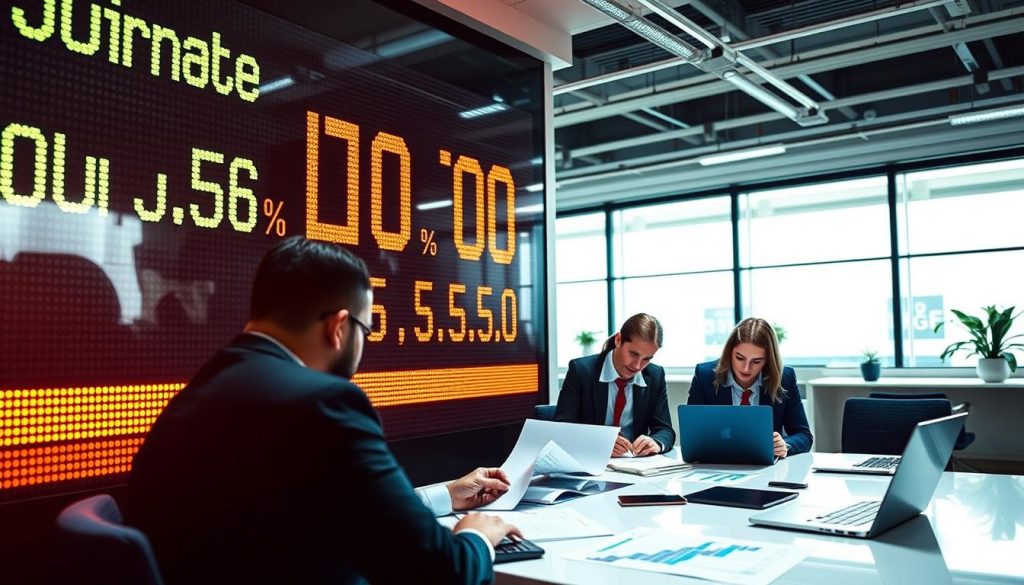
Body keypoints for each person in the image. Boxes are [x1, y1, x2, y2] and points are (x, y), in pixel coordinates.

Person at [126, 236, 519, 585]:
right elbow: (443, 574)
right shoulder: (323, 402)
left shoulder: (207, 388)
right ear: (339, 327)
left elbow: (315, 509)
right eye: (366, 330)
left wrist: (444, 496)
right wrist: (478, 535)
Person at [687, 317, 812, 457]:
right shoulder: (705, 376)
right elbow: (693, 436)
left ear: (768, 360)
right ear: (729, 353)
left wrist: (784, 446)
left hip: (766, 469)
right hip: (717, 463)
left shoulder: (784, 378)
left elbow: (804, 436)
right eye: (739, 358)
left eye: (757, 361)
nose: (746, 368)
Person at [554, 313, 675, 457]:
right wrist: (600, 443)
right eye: (633, 354)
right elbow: (563, 428)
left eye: (646, 359)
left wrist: (656, 442)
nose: (637, 366)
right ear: (618, 340)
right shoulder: (581, 371)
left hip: (633, 465)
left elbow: (665, 429)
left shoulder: (655, 375)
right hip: (589, 460)